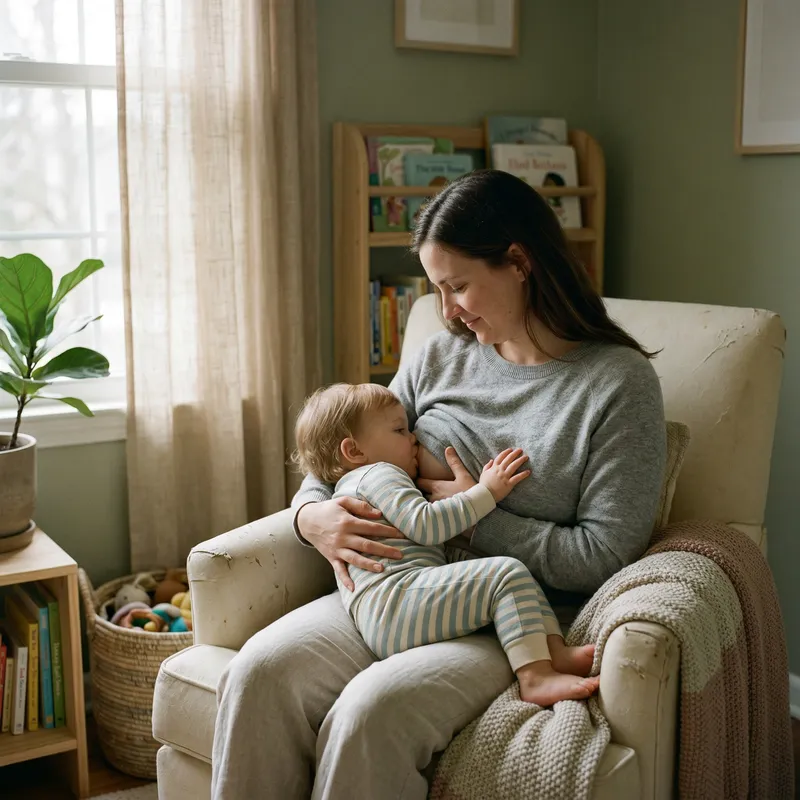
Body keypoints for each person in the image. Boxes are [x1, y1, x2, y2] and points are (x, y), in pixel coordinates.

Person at [212, 169, 667, 800]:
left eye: (457, 287)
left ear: (518, 261)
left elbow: (605, 554)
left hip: (506, 617)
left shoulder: (616, 385)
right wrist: (309, 519)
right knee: (258, 673)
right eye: (437, 289)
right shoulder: (439, 355)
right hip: (391, 588)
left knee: (370, 714)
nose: (445, 311)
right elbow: (339, 458)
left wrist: (472, 513)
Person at [291, 382, 600, 705]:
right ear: (354, 451)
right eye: (400, 430)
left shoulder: (355, 485)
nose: (413, 438)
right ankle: (536, 677)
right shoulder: (378, 475)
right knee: (506, 575)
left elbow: (420, 546)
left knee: (512, 574)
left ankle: (553, 652)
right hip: (395, 604)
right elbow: (426, 526)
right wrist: (486, 493)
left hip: (389, 607)